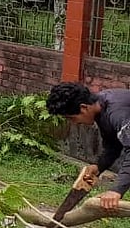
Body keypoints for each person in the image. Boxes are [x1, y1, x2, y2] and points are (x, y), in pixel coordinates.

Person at [46, 83, 130, 211]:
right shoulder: (102, 108)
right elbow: (113, 145)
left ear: (84, 107)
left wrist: (116, 190)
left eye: (72, 118)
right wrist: (99, 166)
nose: (75, 123)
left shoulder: (117, 113)